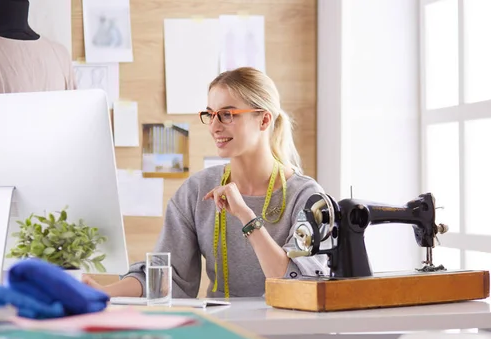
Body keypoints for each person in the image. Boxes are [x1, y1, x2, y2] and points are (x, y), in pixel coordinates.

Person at [84, 67, 328, 298]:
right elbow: (166, 276)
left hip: (291, 333)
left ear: (264, 120)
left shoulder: (308, 198)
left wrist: (246, 216)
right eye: (210, 114)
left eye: (227, 114)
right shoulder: (197, 191)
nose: (214, 126)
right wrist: (102, 292)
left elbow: (298, 283)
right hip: (223, 329)